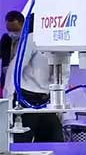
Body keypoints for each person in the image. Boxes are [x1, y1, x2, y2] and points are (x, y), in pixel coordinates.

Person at [4, 14, 66, 142]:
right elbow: (15, 69)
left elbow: (64, 74)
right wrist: (8, 99)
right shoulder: (32, 39)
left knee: (55, 140)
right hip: (26, 99)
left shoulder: (62, 40)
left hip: (46, 100)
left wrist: (60, 102)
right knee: (21, 143)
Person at [1, 11, 25, 96]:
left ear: (23, 24)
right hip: (6, 82)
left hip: (23, 84)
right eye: (9, 30)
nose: (12, 33)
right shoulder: (5, 39)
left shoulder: (29, 41)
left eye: (15, 30)